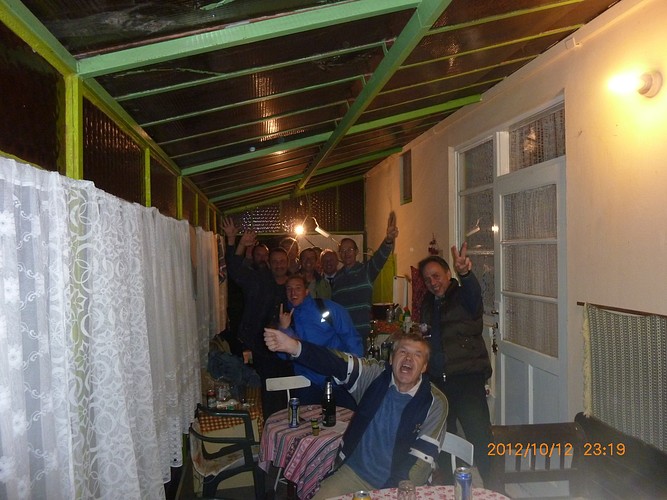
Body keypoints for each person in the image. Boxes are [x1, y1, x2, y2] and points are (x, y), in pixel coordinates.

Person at [264, 327, 448, 498]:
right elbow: (336, 363)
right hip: (353, 473)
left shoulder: (434, 402)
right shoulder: (374, 377)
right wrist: (293, 346)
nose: (408, 358)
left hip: (396, 484)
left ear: (424, 367)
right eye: (403, 351)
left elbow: (421, 464)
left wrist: (389, 494)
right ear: (391, 359)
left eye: (417, 355)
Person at [418, 242, 493, 484]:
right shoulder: (428, 303)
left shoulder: (462, 296)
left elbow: (474, 293)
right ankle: (452, 487)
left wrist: (466, 274)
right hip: (438, 382)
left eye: (436, 276)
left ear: (448, 274)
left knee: (480, 436)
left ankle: (494, 486)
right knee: (444, 437)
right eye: (427, 279)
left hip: (466, 378)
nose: (433, 282)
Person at [222, 217, 293, 419]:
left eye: (282, 261)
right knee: (269, 391)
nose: (279, 265)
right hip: (262, 348)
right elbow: (234, 269)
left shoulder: (295, 286)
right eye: (275, 261)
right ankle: (272, 426)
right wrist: (236, 242)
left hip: (289, 348)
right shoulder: (258, 280)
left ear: (288, 263)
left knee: (290, 391)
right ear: (268, 263)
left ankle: (290, 425)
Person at [278, 274, 362, 408]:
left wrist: (356, 370)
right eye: (289, 289)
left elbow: (350, 337)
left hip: (337, 378)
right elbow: (283, 355)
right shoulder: (286, 318)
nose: (293, 293)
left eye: (298, 288)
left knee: (347, 417)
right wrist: (284, 329)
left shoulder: (327, 308)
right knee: (307, 420)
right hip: (307, 381)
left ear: (306, 291)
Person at [332, 211, 398, 346]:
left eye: (350, 250)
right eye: (343, 251)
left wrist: (388, 240)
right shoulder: (337, 278)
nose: (346, 253)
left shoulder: (366, 271)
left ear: (357, 252)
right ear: (339, 254)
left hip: (361, 333)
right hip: (342, 334)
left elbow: (380, 257)